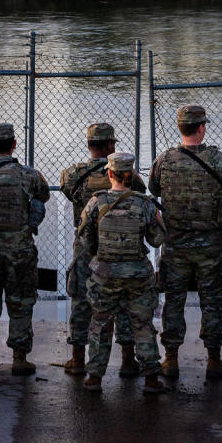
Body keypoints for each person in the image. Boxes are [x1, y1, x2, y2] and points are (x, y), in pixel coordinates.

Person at [149, 105, 222, 380]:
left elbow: (153, 188)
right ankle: (213, 360)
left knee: (174, 299)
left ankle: (170, 359)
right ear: (201, 128)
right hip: (210, 244)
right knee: (211, 299)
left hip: (175, 242)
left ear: (180, 128)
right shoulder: (218, 160)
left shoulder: (165, 159)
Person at [60, 123, 146, 377]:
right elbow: (137, 195)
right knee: (123, 300)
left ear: (89, 145)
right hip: (120, 244)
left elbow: (68, 193)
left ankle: (77, 359)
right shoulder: (131, 177)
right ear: (110, 146)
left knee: (81, 299)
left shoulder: (73, 174)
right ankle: (128, 360)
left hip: (87, 246)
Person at [78, 152, 167, 394]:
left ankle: (94, 377)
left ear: (109, 173)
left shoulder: (96, 203)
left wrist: (103, 253)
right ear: (133, 175)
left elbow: (86, 241)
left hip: (105, 274)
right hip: (137, 274)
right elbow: (157, 240)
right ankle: (150, 377)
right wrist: (159, 219)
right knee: (142, 325)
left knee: (100, 324)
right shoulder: (144, 204)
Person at [0, 123, 50, 376]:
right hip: (20, 249)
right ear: (14, 144)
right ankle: (19, 358)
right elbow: (43, 197)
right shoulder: (29, 175)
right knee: (21, 301)